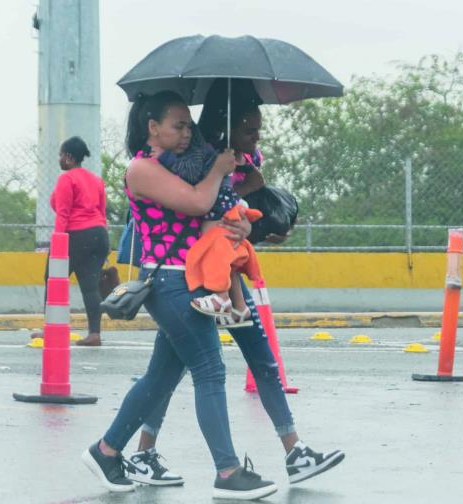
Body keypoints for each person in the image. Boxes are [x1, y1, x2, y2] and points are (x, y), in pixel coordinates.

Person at [120, 83, 344, 490]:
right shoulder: (180, 160)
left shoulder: (236, 159)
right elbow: (197, 203)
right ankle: (151, 454)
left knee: (250, 359)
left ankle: (294, 451)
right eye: (250, 131)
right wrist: (224, 177)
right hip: (185, 277)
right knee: (180, 372)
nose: (256, 139)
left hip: (224, 272)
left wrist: (248, 216)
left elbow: (227, 208)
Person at [81, 91, 280, 500]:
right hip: (171, 282)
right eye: (178, 125)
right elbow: (197, 203)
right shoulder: (142, 169)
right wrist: (219, 170)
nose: (188, 132)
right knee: (210, 370)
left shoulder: (183, 165)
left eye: (189, 124)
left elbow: (215, 211)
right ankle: (227, 471)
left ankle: (106, 451)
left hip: (188, 279)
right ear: (152, 128)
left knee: (161, 377)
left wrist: (238, 225)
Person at [155, 123, 264, 327]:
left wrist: (163, 157)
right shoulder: (223, 154)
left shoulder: (216, 154)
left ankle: (221, 297)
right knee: (228, 264)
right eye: (250, 131)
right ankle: (239, 308)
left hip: (219, 212)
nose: (256, 137)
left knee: (217, 255)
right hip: (226, 208)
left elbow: (188, 171)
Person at [44, 136, 109, 347]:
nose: (59, 159)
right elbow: (102, 213)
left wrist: (57, 245)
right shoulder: (96, 180)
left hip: (76, 234)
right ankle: (94, 333)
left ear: (70, 157)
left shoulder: (67, 179)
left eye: (61, 155)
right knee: (90, 286)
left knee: (53, 278)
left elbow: (62, 214)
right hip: (99, 235)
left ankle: (52, 329)